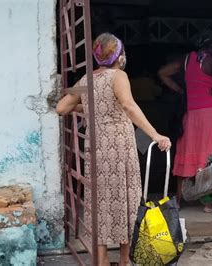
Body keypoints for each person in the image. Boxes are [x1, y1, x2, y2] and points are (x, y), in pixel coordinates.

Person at [56, 33, 171, 266]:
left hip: (96, 149)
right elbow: (129, 105)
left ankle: (101, 260)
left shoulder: (88, 79)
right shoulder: (119, 75)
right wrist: (156, 135)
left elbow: (61, 108)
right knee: (125, 200)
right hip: (119, 147)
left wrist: (91, 106)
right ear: (118, 55)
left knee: (101, 203)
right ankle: (124, 260)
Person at [158, 31, 212, 213]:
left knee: (187, 152)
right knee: (209, 155)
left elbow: (162, 73)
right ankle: (208, 203)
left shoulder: (187, 60)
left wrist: (181, 91)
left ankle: (179, 201)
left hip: (191, 114)